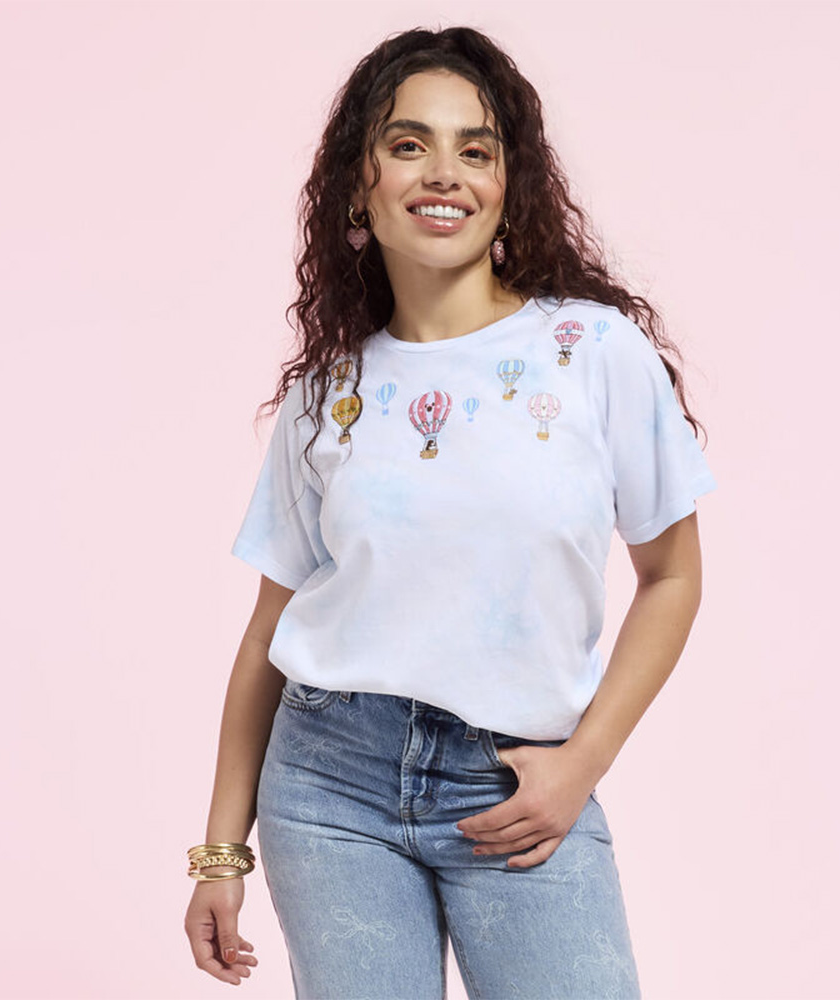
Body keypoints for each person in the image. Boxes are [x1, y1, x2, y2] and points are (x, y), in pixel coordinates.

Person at [184, 24, 717, 1000]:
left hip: (516, 781)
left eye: (476, 148)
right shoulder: (325, 393)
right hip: (328, 786)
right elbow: (272, 626)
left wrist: (579, 764)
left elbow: (671, 576)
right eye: (408, 143)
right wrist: (221, 851)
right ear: (359, 183)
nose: (446, 173)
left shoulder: (592, 353)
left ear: (509, 182)